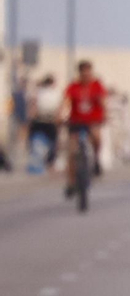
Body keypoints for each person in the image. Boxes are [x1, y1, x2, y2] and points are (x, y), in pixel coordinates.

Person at [62, 60, 107, 196]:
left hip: (93, 121)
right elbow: (65, 102)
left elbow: (103, 102)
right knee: (72, 151)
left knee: (96, 136)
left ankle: (96, 160)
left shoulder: (96, 86)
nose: (86, 75)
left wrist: (104, 111)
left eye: (88, 72)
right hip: (76, 121)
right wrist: (60, 115)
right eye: (83, 72)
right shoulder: (73, 87)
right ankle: (71, 182)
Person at [27, 75, 61, 169]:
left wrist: (31, 119)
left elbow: (33, 106)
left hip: (40, 120)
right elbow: (59, 107)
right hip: (49, 120)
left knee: (35, 140)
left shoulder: (38, 92)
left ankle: (39, 160)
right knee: (53, 142)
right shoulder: (54, 93)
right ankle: (50, 161)